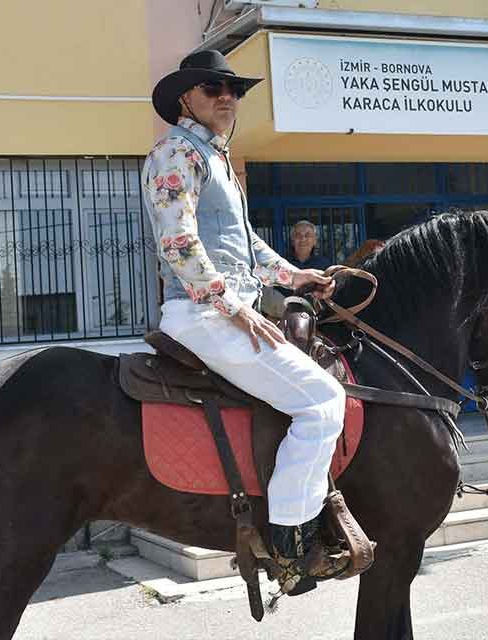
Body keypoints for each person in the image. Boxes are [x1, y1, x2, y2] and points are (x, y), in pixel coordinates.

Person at [141, 50, 346, 571]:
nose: (227, 97)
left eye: (234, 90)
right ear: (187, 98)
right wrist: (233, 306)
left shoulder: (217, 159)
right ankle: (289, 541)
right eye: (213, 88)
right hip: (202, 316)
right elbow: (179, 243)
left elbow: (245, 246)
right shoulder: (176, 152)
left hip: (227, 311)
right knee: (323, 401)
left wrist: (295, 276)